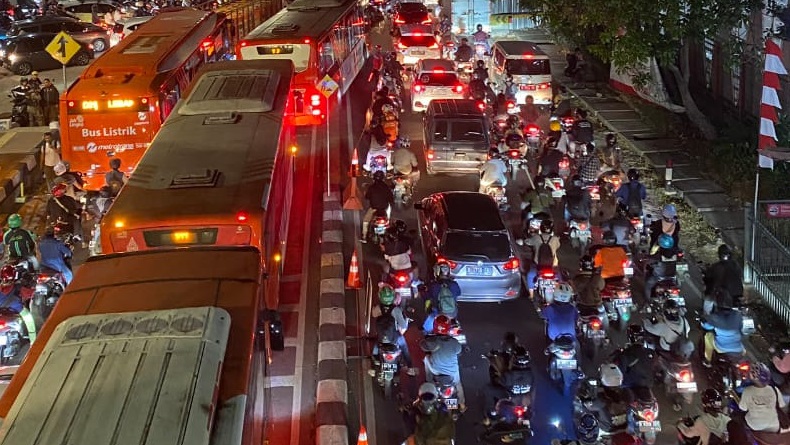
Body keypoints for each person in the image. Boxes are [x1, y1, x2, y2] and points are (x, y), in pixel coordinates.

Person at [421, 315, 465, 410]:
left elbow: (422, 345)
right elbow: (459, 351)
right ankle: (462, 404)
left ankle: (429, 381)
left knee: (426, 359)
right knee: (458, 383)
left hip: (436, 371)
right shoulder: (454, 342)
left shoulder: (433, 341)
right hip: (452, 373)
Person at [370, 285, 417, 375]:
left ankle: (373, 367)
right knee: (404, 347)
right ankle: (410, 368)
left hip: (381, 338)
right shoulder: (396, 310)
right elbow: (403, 325)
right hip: (395, 338)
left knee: (376, 346)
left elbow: (373, 314)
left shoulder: (378, 308)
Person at [482, 346, 534, 420]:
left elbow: (499, 380)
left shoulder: (509, 375)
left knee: (488, 389)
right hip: (523, 398)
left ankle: (492, 411)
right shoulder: (530, 373)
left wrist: (498, 378)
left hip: (510, 397)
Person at [581, 363, 630, 434]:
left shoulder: (602, 400)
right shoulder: (625, 394)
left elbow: (587, 405)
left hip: (607, 430)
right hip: (624, 428)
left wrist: (583, 400)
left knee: (583, 409)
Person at [700, 288, 743, 368]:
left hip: (722, 347)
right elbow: (741, 328)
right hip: (738, 348)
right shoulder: (737, 315)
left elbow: (706, 326)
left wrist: (703, 322)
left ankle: (708, 360)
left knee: (708, 337)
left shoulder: (715, 317)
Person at [739, 362, 786, 433]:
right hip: (774, 426)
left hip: (754, 426)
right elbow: (781, 405)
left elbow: (743, 408)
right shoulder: (774, 389)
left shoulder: (747, 391)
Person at [524, 219, 561, 298]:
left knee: (530, 275)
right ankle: (559, 292)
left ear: (540, 228)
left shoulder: (536, 238)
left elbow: (527, 242)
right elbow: (558, 246)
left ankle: (531, 295)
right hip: (552, 266)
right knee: (559, 277)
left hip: (538, 265)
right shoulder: (555, 239)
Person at [611, 324, 655, 389]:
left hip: (632, 382)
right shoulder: (650, 351)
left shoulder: (628, 352)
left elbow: (621, 369)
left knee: (617, 387)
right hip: (649, 382)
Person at [0, 265, 36, 343]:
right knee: (29, 319)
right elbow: (30, 294)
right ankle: (33, 342)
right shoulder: (18, 287)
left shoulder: (2, 286)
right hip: (16, 308)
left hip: (3, 313)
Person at [423, 260, 461, 333]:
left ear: (437, 271)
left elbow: (427, 297)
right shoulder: (454, 284)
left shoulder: (434, 285)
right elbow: (458, 293)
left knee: (426, 330)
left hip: (438, 314)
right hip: (453, 314)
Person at [703, 244, 744, 313]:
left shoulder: (717, 267)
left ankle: (706, 317)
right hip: (737, 294)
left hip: (723, 294)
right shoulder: (736, 265)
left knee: (708, 300)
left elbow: (708, 277)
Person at [643, 233, 680, 300]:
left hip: (659, 277)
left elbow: (650, 259)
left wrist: (646, 258)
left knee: (648, 285)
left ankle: (648, 300)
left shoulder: (659, 256)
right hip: (672, 277)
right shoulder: (674, 254)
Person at [573, 255, 607, 327]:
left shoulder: (577, 279)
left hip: (582, 306)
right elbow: (602, 287)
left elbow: (573, 291)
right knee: (604, 314)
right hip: (597, 305)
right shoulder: (598, 278)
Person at [362, 170, 393, 240]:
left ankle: (364, 237)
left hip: (374, 208)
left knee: (365, 221)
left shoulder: (371, 187)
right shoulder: (386, 187)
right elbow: (391, 198)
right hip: (384, 208)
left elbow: (367, 197)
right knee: (389, 219)